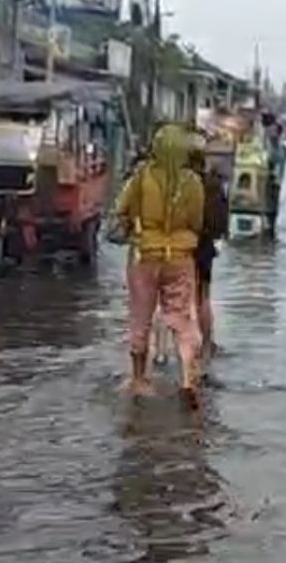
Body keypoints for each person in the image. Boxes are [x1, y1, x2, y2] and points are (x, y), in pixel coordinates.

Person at [114, 125, 205, 408]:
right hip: (180, 257)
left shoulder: (141, 177)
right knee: (180, 318)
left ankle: (140, 380)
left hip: (146, 255)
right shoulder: (193, 182)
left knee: (140, 317)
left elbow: (121, 209)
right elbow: (197, 222)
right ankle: (189, 378)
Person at [189, 144, 228, 363]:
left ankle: (168, 349)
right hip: (204, 248)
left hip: (179, 245)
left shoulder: (180, 185)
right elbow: (221, 223)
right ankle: (206, 344)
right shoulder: (213, 185)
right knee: (203, 297)